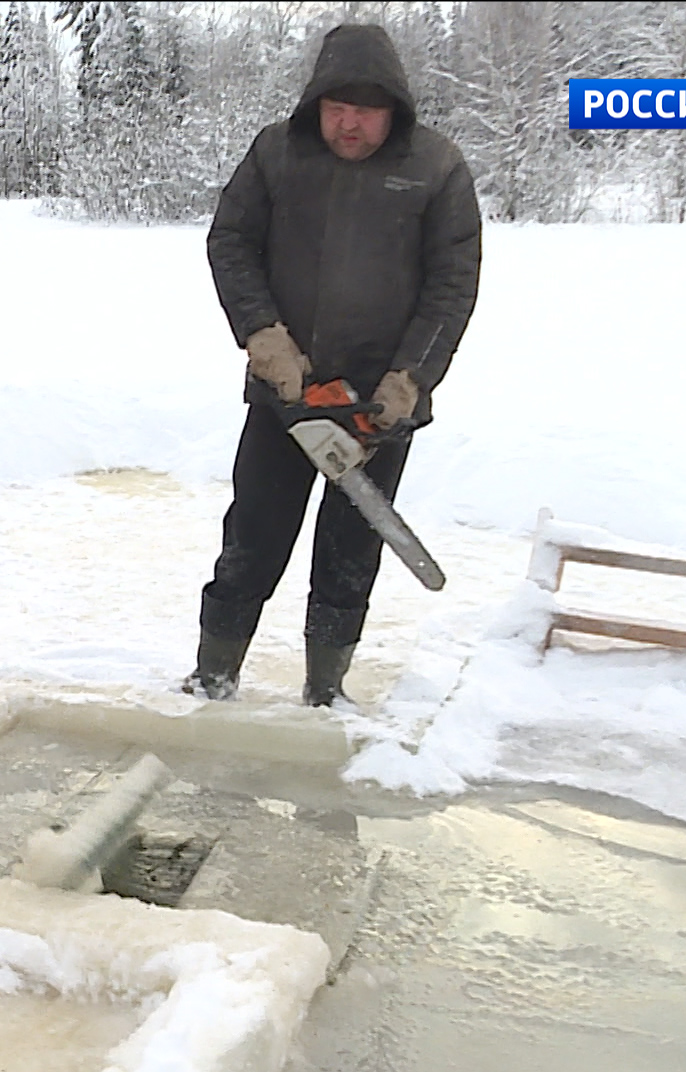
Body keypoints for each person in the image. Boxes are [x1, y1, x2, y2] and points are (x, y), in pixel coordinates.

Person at [186, 24, 482, 707]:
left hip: (379, 403)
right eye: (337, 108)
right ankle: (212, 677)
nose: (349, 124)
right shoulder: (277, 153)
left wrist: (409, 380)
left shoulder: (436, 168)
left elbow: (452, 284)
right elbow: (230, 242)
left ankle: (326, 690)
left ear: (394, 111)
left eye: (366, 112)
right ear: (316, 104)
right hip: (287, 395)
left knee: (350, 555)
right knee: (252, 541)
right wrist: (265, 339)